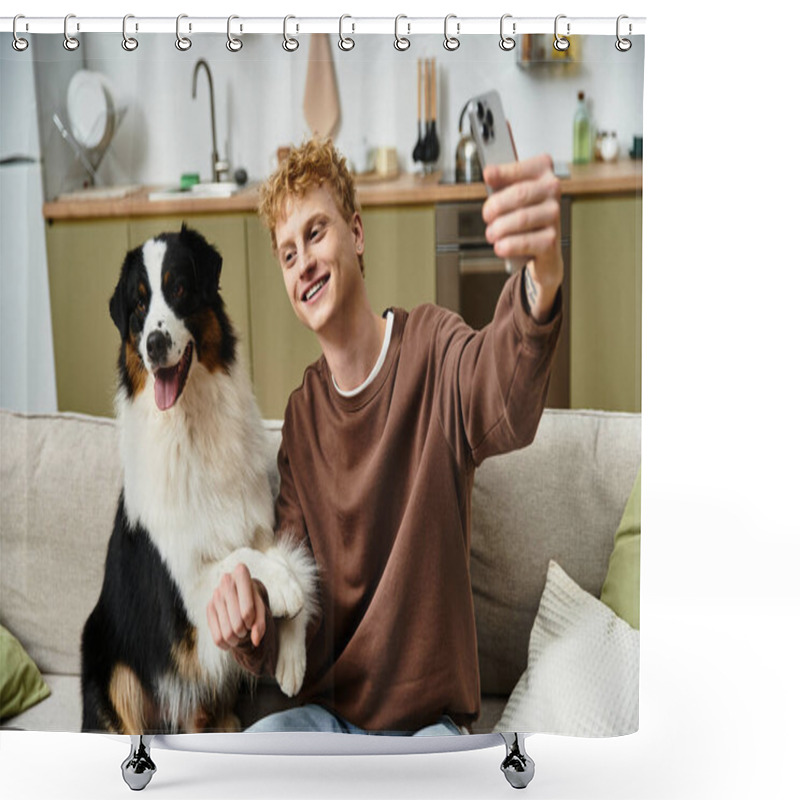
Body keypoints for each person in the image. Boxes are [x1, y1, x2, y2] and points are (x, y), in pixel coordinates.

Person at [206, 138, 564, 735]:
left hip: (429, 727)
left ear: (357, 233)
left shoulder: (432, 346)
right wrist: (250, 619)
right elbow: (300, 602)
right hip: (330, 722)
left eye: (316, 234)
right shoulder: (303, 416)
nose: (304, 265)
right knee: (252, 754)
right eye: (288, 255)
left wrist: (542, 276)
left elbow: (506, 393)